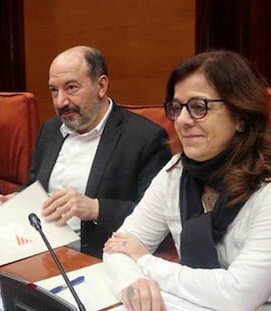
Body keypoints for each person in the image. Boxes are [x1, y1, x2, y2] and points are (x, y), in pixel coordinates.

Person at [103, 50, 271, 310]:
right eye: (177, 107)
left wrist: (146, 263)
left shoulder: (267, 188)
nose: (181, 121)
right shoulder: (177, 171)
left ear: (241, 116)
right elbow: (119, 245)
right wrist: (132, 282)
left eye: (198, 107)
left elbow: (238, 295)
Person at [0, 46, 171, 258]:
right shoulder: (50, 130)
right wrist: (18, 201)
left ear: (101, 85)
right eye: (54, 90)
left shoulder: (144, 137)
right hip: (38, 249)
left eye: (71, 88)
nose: (61, 101)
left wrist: (95, 208)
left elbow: (159, 218)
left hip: (96, 258)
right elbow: (35, 186)